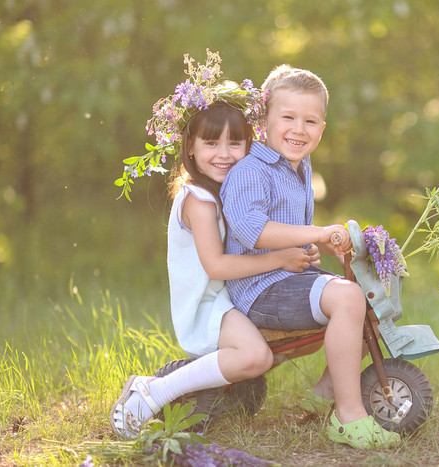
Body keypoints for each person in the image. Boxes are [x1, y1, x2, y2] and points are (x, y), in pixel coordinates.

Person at [110, 57, 318, 438]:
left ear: (248, 144)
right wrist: (280, 258)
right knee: (255, 356)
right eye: (211, 143)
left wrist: (299, 255)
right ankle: (153, 391)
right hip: (207, 304)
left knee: (292, 331)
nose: (224, 154)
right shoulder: (199, 202)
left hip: (232, 295)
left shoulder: (226, 190)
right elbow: (217, 266)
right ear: (190, 145)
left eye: (235, 143)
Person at [220, 65, 402, 449]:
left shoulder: (300, 168)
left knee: (361, 295)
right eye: (287, 117)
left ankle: (322, 394)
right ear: (263, 120)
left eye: (310, 121)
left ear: (322, 129)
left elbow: (288, 230)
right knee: (348, 298)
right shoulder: (251, 170)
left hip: (286, 280)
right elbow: (252, 230)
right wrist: (319, 233)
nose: (298, 130)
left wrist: (313, 248)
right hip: (257, 290)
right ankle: (348, 416)